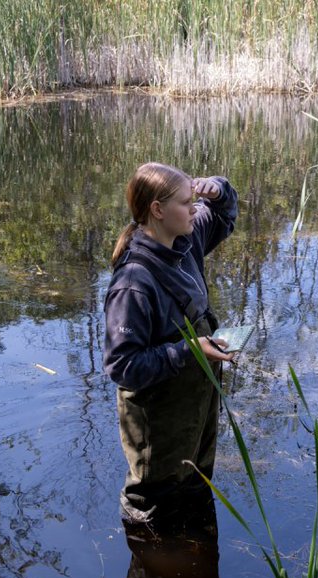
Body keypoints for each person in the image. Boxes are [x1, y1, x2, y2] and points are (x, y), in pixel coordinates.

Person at [103, 162, 238, 527]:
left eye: (194, 200)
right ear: (158, 211)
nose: (195, 209)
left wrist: (218, 189)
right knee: (154, 525)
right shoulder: (132, 283)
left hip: (194, 420)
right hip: (158, 433)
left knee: (195, 504)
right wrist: (189, 350)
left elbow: (224, 215)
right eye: (185, 202)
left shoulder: (185, 240)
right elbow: (122, 367)